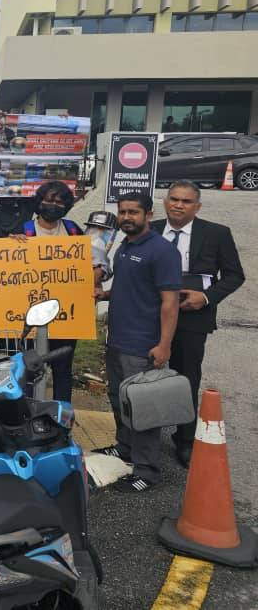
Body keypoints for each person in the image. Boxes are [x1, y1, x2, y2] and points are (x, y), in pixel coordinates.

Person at [150, 180, 245, 467]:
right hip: (150, 314)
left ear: (197, 206)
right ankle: (143, 435)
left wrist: (205, 297)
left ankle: (185, 440)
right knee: (143, 376)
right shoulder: (150, 230)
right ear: (166, 202)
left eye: (186, 201)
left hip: (193, 317)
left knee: (186, 378)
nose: (178, 205)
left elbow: (234, 275)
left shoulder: (217, 234)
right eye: (174, 199)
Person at [95, 192, 182, 493]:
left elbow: (170, 303)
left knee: (143, 408)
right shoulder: (124, 245)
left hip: (143, 345)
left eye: (134, 212)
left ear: (149, 214)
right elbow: (128, 287)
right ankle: (125, 448)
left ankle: (147, 471)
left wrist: (164, 345)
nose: (127, 217)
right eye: (123, 212)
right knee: (120, 401)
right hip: (117, 339)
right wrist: (104, 295)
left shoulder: (162, 251)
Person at [12, 181, 85, 403]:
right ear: (39, 201)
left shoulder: (73, 231)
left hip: (65, 315)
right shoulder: (23, 229)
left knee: (63, 369)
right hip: (29, 315)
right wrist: (11, 244)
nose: (53, 205)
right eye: (49, 200)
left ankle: (62, 418)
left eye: (59, 201)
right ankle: (25, 416)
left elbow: (86, 265)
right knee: (28, 368)